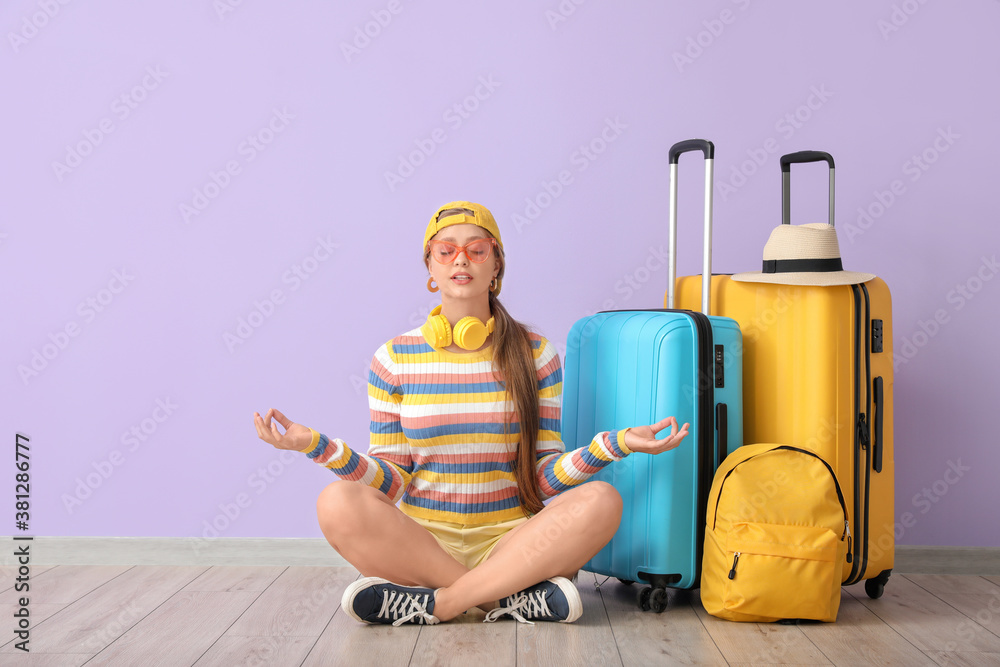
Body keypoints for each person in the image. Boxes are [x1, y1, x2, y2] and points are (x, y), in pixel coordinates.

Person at [253, 201, 689, 626]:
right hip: (423, 544)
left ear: (496, 265)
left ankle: (439, 605)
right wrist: (314, 445)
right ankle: (505, 598)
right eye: (447, 250)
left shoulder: (536, 354)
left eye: (477, 249)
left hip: (514, 542)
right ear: (431, 266)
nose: (461, 260)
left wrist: (617, 445)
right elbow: (390, 480)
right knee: (336, 502)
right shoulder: (394, 358)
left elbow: (541, 476)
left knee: (602, 500)